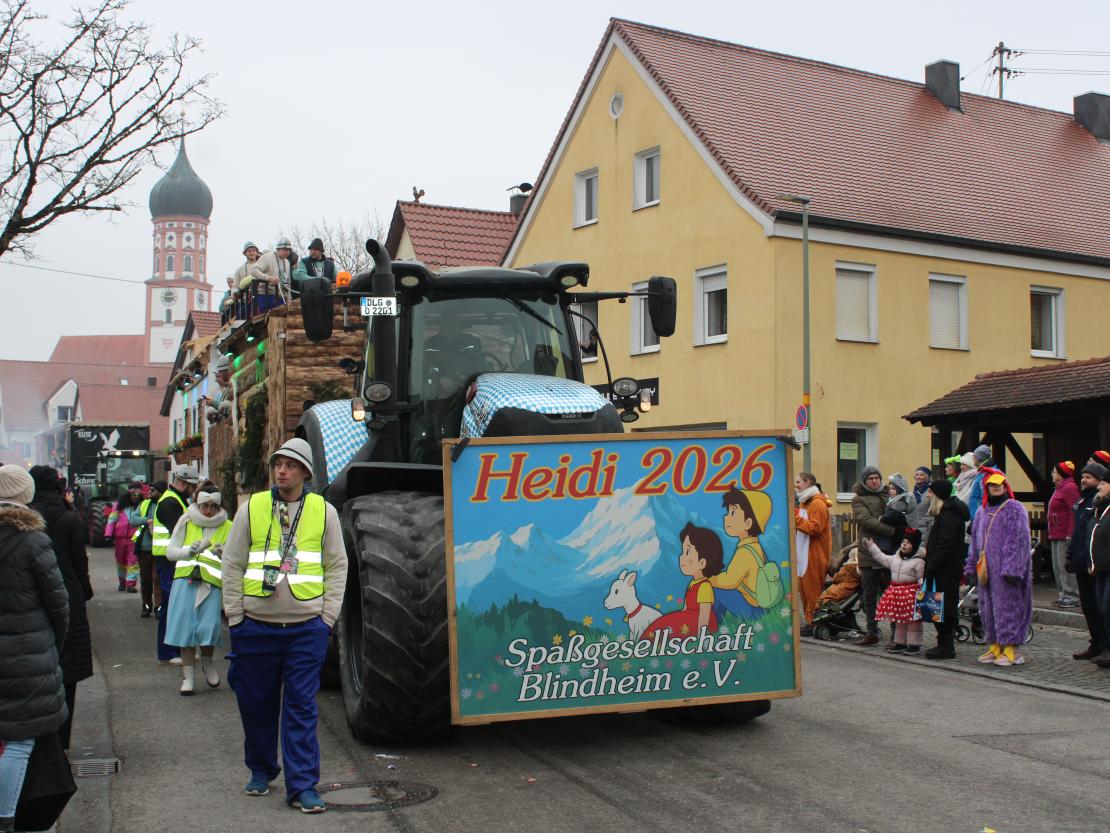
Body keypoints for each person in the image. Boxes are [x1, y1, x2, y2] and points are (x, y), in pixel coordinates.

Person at [222, 439, 347, 813]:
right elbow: (231, 563)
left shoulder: (324, 512)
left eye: (291, 465)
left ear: (305, 472)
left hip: (306, 628)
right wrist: (235, 618)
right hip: (255, 627)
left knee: (301, 707)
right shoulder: (253, 508)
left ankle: (304, 786)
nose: (281, 471)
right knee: (255, 703)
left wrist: (327, 618)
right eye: (278, 463)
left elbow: (337, 565)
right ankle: (261, 769)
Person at [0, 465, 69, 832]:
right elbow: (58, 602)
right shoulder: (31, 539)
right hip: (26, 651)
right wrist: (51, 647)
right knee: (19, 739)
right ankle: (6, 818)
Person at [28, 466, 92, 751]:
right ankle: (61, 742)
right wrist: (85, 591)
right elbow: (80, 561)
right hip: (69, 594)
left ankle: (37, 737)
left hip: (33, 597)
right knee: (69, 669)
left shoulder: (26, 517)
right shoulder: (68, 518)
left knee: (37, 667)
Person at [165, 483, 231, 695]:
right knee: (185, 629)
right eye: (204, 505)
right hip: (185, 580)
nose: (209, 510)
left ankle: (208, 663)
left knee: (208, 628)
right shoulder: (186, 519)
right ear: (197, 503)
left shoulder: (227, 525)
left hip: (210, 583)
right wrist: (188, 551)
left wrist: (223, 554)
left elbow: (236, 558)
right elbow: (170, 552)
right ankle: (188, 677)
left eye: (213, 506)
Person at [964, 471, 1032, 667]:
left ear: (1005, 486)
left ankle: (1012, 649)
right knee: (988, 608)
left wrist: (1013, 567)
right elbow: (975, 543)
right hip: (986, 570)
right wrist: (971, 565)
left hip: (1005, 571)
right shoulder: (981, 512)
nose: (996, 488)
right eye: (992, 485)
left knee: (1008, 607)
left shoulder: (1014, 508)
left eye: (999, 484)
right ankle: (995, 645)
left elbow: (1019, 540)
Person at [641, 523, 724, 639]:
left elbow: (705, 614)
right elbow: (685, 608)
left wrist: (702, 634)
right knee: (664, 624)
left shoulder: (704, 586)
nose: (681, 557)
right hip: (689, 619)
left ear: (702, 563)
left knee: (667, 627)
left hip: (698, 622)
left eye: (687, 552)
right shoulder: (692, 584)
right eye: (682, 552)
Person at [153, 466, 199, 665]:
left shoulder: (174, 499)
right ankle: (168, 651)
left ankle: (178, 649)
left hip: (171, 560)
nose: (194, 490)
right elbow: (179, 533)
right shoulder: (171, 502)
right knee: (171, 605)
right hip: (168, 561)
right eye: (193, 486)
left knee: (176, 605)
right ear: (185, 483)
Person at [922, 479, 970, 660]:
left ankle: (946, 646)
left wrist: (931, 566)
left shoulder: (949, 515)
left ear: (937, 494)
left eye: (930, 492)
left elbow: (945, 545)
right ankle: (943, 643)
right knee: (935, 607)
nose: (928, 495)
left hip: (945, 570)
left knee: (942, 608)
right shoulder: (944, 513)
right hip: (941, 568)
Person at [851, 466, 896, 646]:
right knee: (870, 596)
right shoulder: (858, 499)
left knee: (892, 594)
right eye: (871, 478)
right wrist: (892, 531)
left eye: (877, 477)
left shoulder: (889, 495)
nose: (875, 481)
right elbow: (865, 520)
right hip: (869, 552)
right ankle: (872, 631)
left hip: (889, 553)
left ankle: (896, 633)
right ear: (864, 481)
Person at [865, 529, 926, 654]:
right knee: (899, 620)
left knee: (913, 621)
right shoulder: (895, 558)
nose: (904, 544)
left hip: (911, 594)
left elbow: (921, 578)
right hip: (896, 593)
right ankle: (900, 642)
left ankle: (914, 644)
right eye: (903, 542)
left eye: (908, 543)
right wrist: (872, 547)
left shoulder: (919, 561)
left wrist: (923, 589)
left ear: (914, 546)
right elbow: (881, 557)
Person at [1069, 462, 1107, 662]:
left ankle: (1104, 644)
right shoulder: (1083, 501)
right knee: (1088, 606)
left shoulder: (1098, 501)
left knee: (1099, 606)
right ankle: (1096, 642)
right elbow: (1078, 532)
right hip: (1080, 560)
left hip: (1093, 562)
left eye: (1089, 477)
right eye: (1083, 477)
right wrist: (1071, 555)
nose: (1084, 480)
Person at [794, 472, 831, 634]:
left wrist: (796, 518)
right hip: (803, 553)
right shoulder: (804, 502)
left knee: (813, 590)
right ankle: (810, 622)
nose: (796, 485)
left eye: (799, 482)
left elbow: (815, 528)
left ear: (808, 482)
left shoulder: (817, 503)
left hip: (814, 555)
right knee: (804, 590)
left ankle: (814, 622)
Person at [1047, 461, 1081, 609]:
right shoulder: (1059, 487)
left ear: (1060, 474)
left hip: (1064, 534)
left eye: (1054, 471)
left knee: (1064, 566)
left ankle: (1072, 595)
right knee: (1057, 566)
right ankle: (1063, 594)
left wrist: (1070, 534)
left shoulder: (1070, 488)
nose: (1052, 474)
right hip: (1055, 532)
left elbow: (1073, 512)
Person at [133, 480, 166, 618]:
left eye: (152, 490)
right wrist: (146, 520)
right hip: (145, 549)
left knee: (158, 579)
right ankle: (146, 606)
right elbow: (132, 520)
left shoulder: (165, 505)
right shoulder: (144, 504)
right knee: (145, 579)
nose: (149, 492)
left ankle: (158, 608)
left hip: (161, 549)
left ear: (160, 492)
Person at [1089, 467, 1110, 669]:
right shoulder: (1100, 507)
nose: (1100, 486)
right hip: (1100, 569)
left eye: (1104, 483)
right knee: (1103, 610)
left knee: (1107, 608)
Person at [246, 239, 295, 312]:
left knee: (282, 319)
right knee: (265, 320)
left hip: (280, 297)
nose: (287, 252)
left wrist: (289, 299)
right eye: (285, 249)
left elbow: (288, 281)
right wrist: (268, 278)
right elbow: (254, 270)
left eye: (289, 250)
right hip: (265, 296)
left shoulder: (287, 262)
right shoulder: (267, 257)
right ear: (278, 249)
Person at [105, 490, 139, 592]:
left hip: (134, 538)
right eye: (134, 495)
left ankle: (130, 584)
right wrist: (108, 534)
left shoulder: (140, 507)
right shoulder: (118, 507)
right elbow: (111, 520)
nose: (136, 497)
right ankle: (122, 581)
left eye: (138, 495)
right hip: (120, 538)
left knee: (132, 562)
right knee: (120, 562)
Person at [233, 241, 262, 317]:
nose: (251, 253)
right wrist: (235, 293)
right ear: (245, 253)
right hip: (244, 301)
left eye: (254, 250)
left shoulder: (263, 267)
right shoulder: (240, 270)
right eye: (249, 251)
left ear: (257, 252)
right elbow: (235, 286)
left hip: (260, 299)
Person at [966, 443, 995, 521]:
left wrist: (977, 520)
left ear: (978, 458)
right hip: (979, 517)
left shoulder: (986, 474)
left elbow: (985, 497)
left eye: (974, 456)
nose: (973, 459)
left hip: (982, 519)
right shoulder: (982, 472)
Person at [204, 355, 233, 425]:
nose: (218, 376)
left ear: (226, 371)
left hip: (231, 414)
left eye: (220, 372)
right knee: (209, 412)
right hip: (225, 417)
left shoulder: (231, 381)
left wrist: (224, 385)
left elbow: (230, 399)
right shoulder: (221, 387)